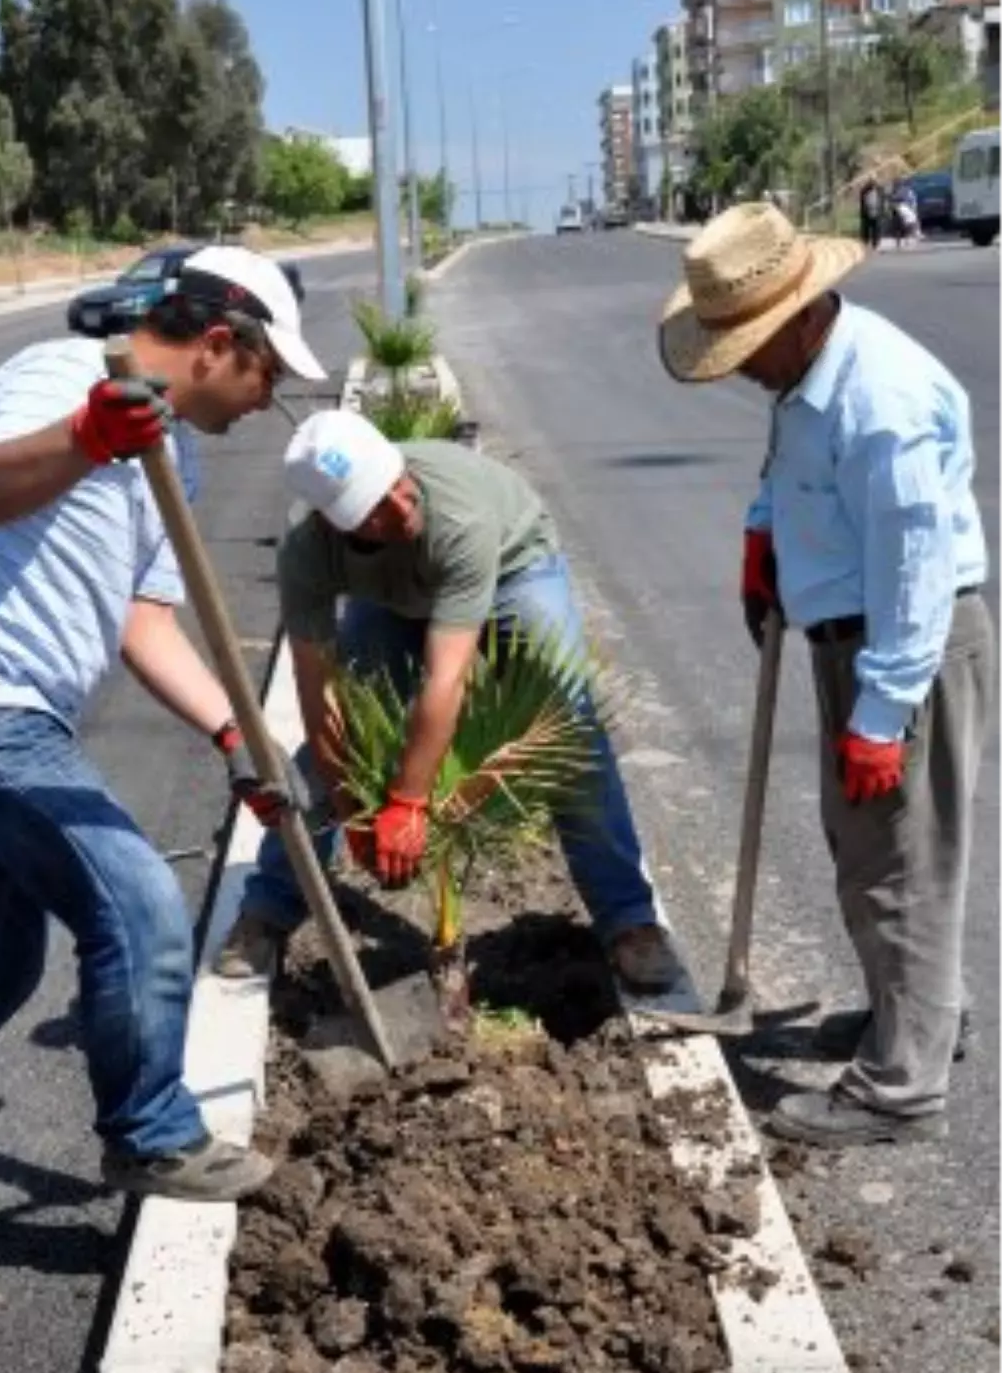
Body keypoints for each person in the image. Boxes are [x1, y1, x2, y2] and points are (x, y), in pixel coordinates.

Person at [0, 246, 326, 1288]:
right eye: (269, 376)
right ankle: (150, 1132)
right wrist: (89, 434)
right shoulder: (63, 377)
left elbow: (145, 622)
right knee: (133, 896)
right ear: (220, 344)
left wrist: (238, 737)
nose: (267, 400)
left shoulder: (172, 455)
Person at [659, 202, 994, 1148]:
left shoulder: (877, 400)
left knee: (900, 870)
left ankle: (900, 1089)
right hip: (853, 639)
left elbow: (916, 569)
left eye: (753, 343)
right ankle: (920, 1018)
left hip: (905, 648)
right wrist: (764, 532)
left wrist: (883, 713)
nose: (748, 364)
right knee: (873, 856)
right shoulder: (812, 373)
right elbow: (790, 466)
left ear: (805, 312)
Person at [217, 410, 680, 997]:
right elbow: (320, 693)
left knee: (567, 723)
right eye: (377, 508)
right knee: (337, 744)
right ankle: (269, 908)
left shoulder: (456, 516)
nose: (403, 508)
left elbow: (445, 679)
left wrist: (407, 803)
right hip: (388, 596)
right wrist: (350, 800)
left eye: (400, 486)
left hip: (514, 565)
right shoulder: (307, 555)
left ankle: (629, 920)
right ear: (338, 526)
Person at [858, 176, 883, 251]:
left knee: (876, 228)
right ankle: (865, 242)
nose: (873, 183)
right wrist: (864, 210)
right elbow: (862, 202)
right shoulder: (864, 190)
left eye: (874, 181)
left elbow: (882, 200)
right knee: (866, 228)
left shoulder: (879, 189)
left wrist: (881, 210)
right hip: (867, 211)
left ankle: (875, 244)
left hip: (877, 211)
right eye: (871, 181)